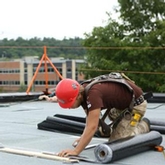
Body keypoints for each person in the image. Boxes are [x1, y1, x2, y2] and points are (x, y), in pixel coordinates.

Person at [39, 72, 150, 157]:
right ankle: (122, 126)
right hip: (120, 106)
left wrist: (76, 151)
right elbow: (91, 122)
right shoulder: (81, 90)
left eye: (70, 104)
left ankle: (142, 127)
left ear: (78, 96)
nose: (68, 108)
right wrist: (83, 137)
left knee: (116, 144)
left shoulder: (92, 95)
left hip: (136, 106)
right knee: (102, 130)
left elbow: (91, 127)